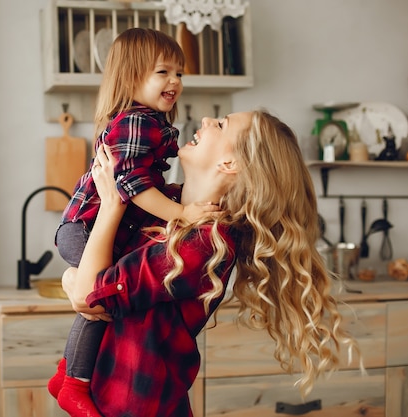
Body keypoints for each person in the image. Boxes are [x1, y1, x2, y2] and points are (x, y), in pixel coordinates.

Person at [61, 110, 362, 416]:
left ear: (230, 164)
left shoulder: (204, 244)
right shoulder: (166, 204)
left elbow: (90, 296)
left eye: (220, 124)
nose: (205, 121)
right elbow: (93, 277)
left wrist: (111, 205)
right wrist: (73, 276)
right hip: (107, 402)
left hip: (136, 407)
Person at [49, 28, 217, 416]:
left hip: (95, 226)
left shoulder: (146, 121)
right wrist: (182, 213)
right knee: (98, 301)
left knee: (97, 300)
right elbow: (133, 185)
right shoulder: (138, 121)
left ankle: (67, 375)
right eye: (163, 71)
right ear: (130, 77)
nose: (174, 81)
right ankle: (73, 380)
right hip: (87, 227)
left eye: (179, 72)